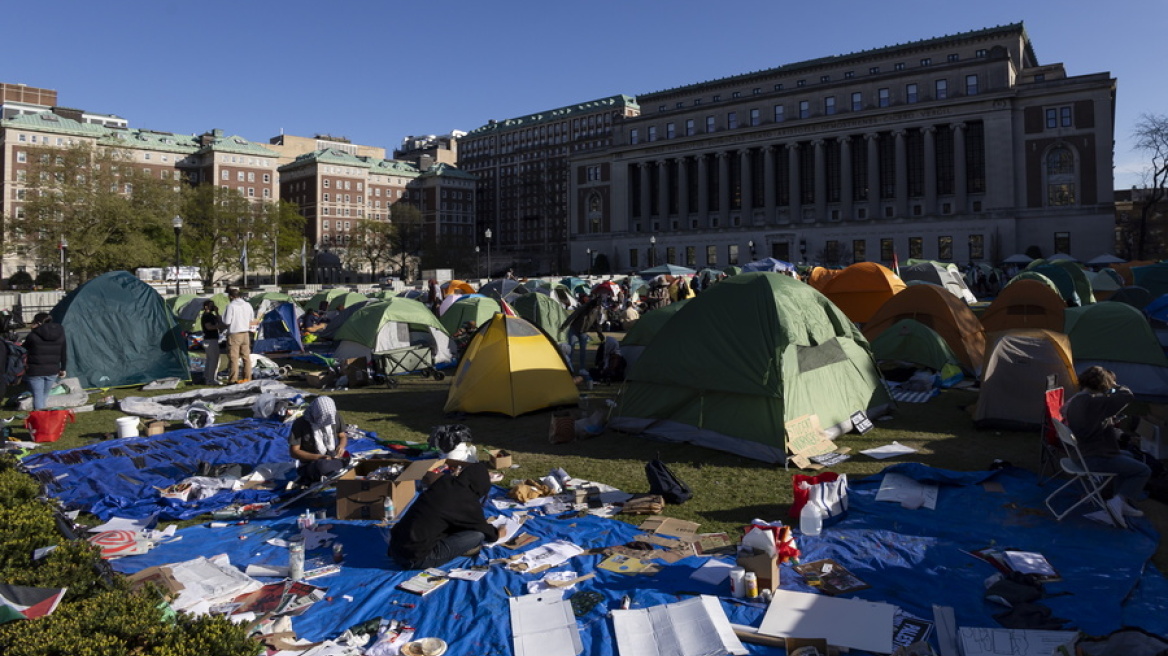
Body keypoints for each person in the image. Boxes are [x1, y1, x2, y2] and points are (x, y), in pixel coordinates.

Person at [1061, 366, 1151, 524]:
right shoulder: (1095, 402)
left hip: (1081, 453)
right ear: (1103, 384)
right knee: (1143, 471)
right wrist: (1115, 385)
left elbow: (1092, 422)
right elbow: (1127, 395)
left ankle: (1119, 502)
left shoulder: (1076, 400)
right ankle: (1117, 502)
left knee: (1129, 457)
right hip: (1095, 456)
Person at [388, 462, 504, 570]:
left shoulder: (444, 482)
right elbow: (487, 532)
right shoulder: (467, 502)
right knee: (477, 535)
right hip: (416, 558)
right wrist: (498, 533)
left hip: (395, 546)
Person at [288, 396, 349, 485]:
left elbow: (342, 436)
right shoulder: (300, 423)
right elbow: (294, 452)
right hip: (313, 462)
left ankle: (337, 470)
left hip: (332, 457)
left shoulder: (335, 416)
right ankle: (338, 471)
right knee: (322, 467)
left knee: (348, 458)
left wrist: (341, 446)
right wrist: (319, 457)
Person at [23, 312, 66, 410]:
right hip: (53, 369)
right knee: (44, 395)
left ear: (38, 323)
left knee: (38, 396)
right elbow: (63, 351)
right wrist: (63, 368)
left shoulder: (32, 335)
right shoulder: (60, 332)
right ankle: (44, 417)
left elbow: (23, 350)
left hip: (35, 370)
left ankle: (39, 418)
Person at [560, 295, 602, 374]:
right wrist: (564, 326)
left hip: (584, 332)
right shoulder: (584, 307)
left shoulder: (597, 310)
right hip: (574, 330)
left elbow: (597, 324)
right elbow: (572, 316)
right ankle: (569, 367)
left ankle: (582, 368)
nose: (595, 308)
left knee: (583, 351)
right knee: (571, 349)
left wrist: (600, 334)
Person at [222, 288, 255, 383]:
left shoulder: (231, 306)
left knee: (234, 358)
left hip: (234, 333)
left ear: (231, 296)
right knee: (246, 357)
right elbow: (251, 318)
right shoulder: (247, 305)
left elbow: (227, 321)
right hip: (245, 333)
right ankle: (247, 378)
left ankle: (233, 379)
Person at [200, 300, 225, 385]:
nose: (212, 307)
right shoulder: (206, 316)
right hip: (210, 339)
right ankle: (211, 379)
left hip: (213, 339)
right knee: (214, 359)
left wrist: (217, 313)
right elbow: (209, 327)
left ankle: (207, 377)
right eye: (211, 306)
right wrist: (218, 326)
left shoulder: (212, 316)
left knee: (210, 359)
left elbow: (220, 322)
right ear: (206, 307)